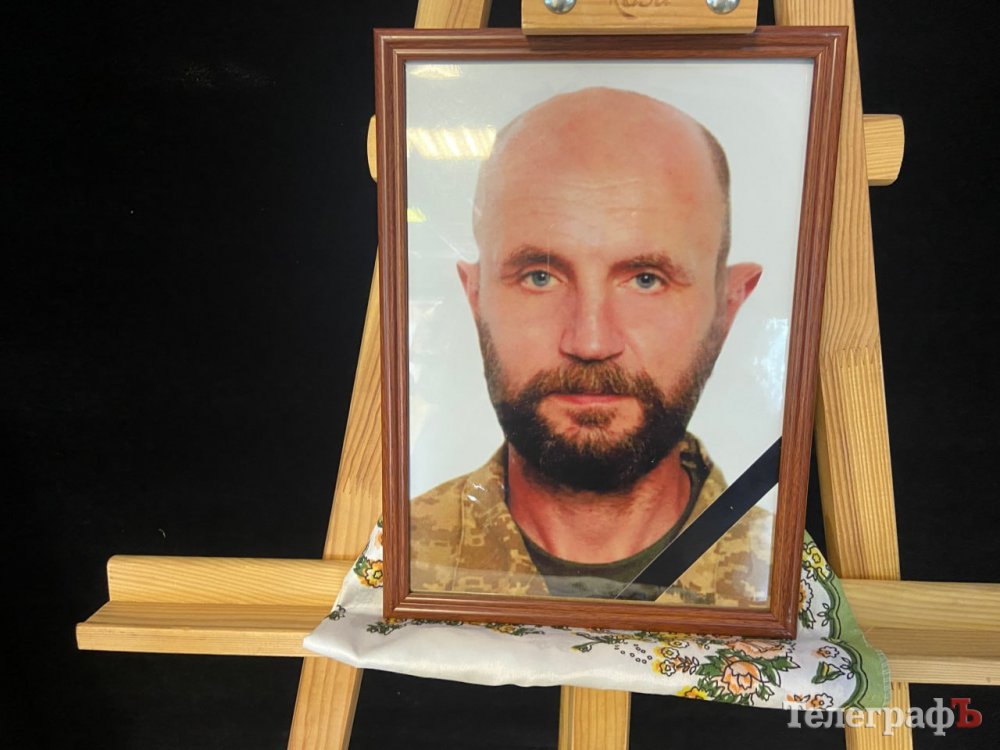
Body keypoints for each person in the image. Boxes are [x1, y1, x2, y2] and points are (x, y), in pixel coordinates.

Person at [411, 87, 772, 606]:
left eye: (646, 280)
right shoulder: (399, 562)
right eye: (539, 277)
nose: (590, 341)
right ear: (475, 296)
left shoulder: (785, 587)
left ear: (728, 305)